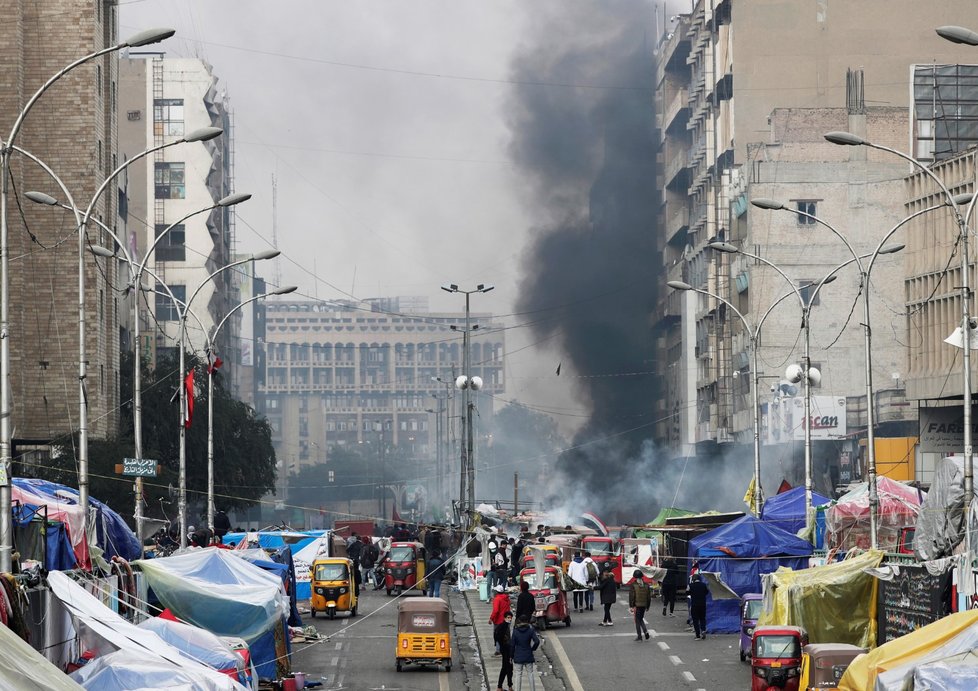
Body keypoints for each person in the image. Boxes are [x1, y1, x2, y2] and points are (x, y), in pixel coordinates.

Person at [510, 614, 540, 690]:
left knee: (518, 674)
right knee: (530, 673)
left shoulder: (515, 631)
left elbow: (512, 645)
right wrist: (532, 649)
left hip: (518, 655)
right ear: (527, 621)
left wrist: (511, 656)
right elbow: (537, 641)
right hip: (528, 654)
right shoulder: (530, 630)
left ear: (519, 621)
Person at [628, 569, 651, 641]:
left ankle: (639, 636)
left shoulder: (633, 585)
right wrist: (648, 606)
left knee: (637, 621)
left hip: (637, 605)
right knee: (641, 619)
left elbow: (632, 596)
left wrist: (631, 606)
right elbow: (648, 597)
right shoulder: (647, 585)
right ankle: (645, 631)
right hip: (644, 605)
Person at [494, 610, 514, 691]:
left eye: (510, 618)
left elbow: (495, 635)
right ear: (505, 618)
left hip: (507, 649)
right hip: (506, 649)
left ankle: (505, 686)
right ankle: (502, 686)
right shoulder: (504, 626)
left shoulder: (504, 625)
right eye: (508, 618)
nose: (509, 619)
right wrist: (502, 644)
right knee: (507, 668)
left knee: (508, 668)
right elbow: (498, 636)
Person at [489, 584, 512, 655]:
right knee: (507, 635)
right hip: (507, 620)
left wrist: (491, 618)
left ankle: (498, 650)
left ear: (496, 592)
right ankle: (508, 648)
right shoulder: (507, 599)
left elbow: (496, 611)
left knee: (498, 635)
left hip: (498, 621)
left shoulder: (497, 599)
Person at [688, 573, 709, 640]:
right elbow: (706, 592)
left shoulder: (690, 585)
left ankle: (698, 635)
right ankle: (703, 630)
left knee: (695, 620)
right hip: (703, 604)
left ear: (693, 579)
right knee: (702, 618)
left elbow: (687, 593)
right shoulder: (704, 585)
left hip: (694, 605)